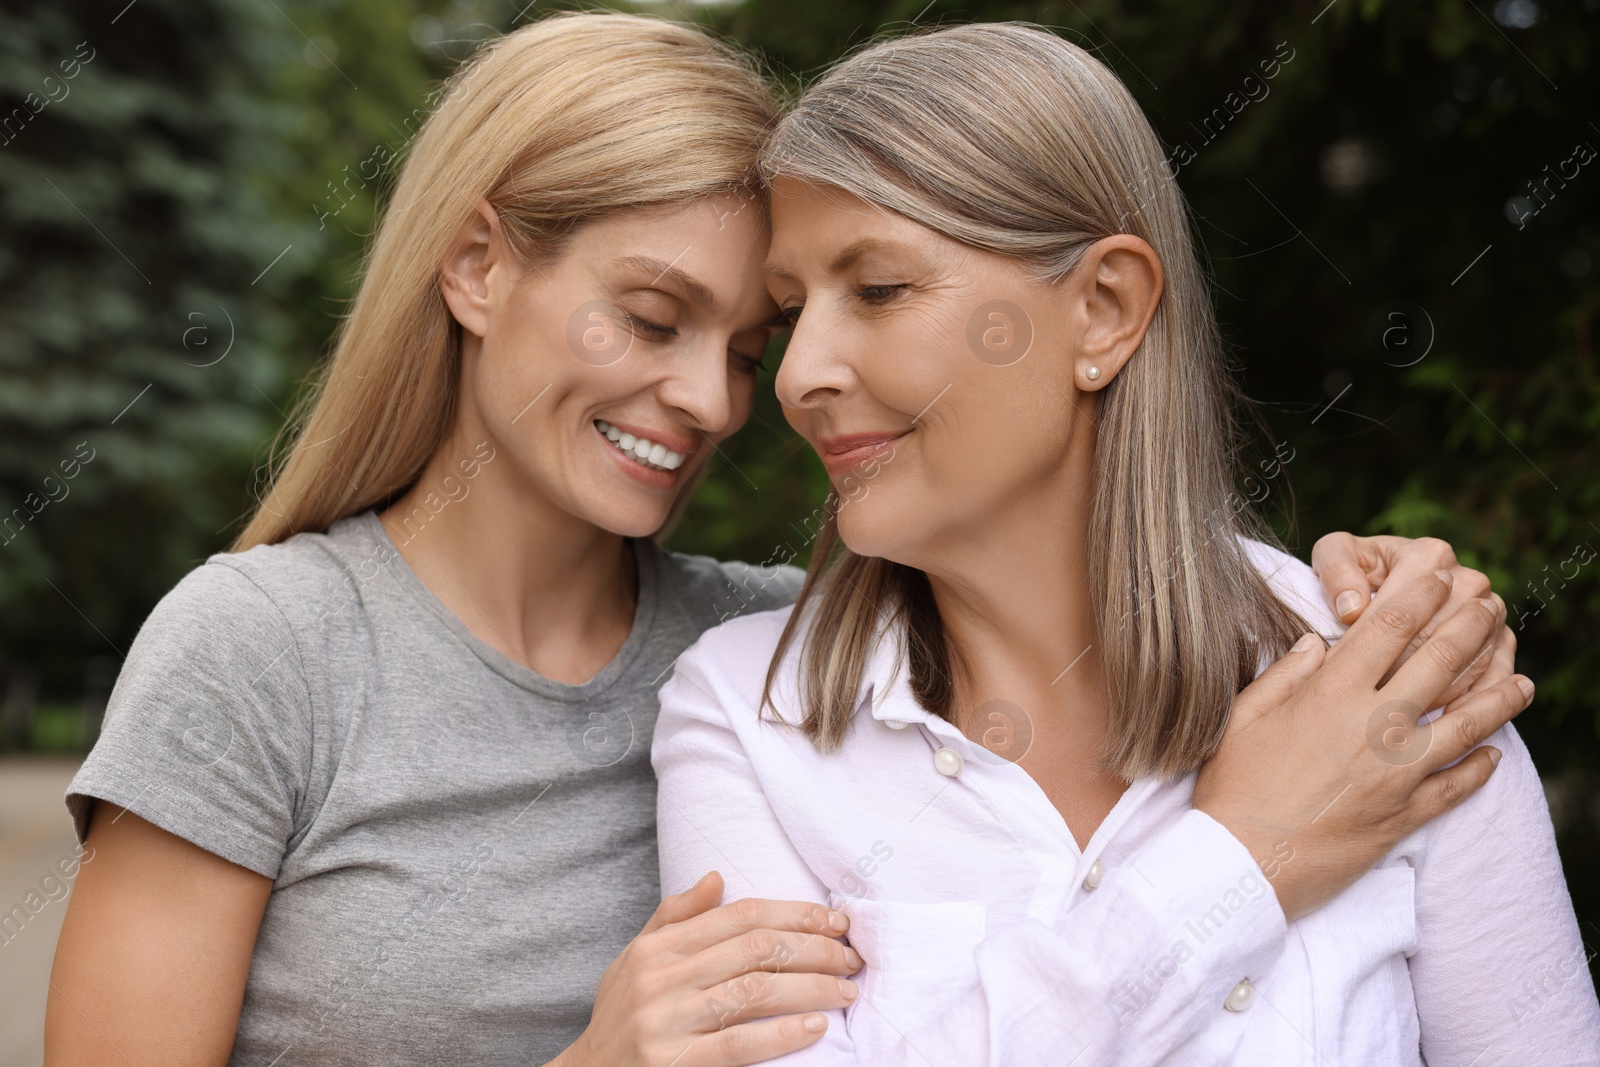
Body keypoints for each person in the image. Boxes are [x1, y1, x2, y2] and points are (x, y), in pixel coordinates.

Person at [47, 12, 1519, 1067]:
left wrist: (1365, 587)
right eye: (649, 314)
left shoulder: (771, 662)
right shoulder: (263, 652)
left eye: (749, 339)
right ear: (479, 263)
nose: (713, 398)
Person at [652, 21, 1599, 1067]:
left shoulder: (1393, 674)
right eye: (790, 316)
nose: (797, 378)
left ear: (1103, 311)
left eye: (877, 289)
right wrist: (1237, 859)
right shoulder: (747, 718)